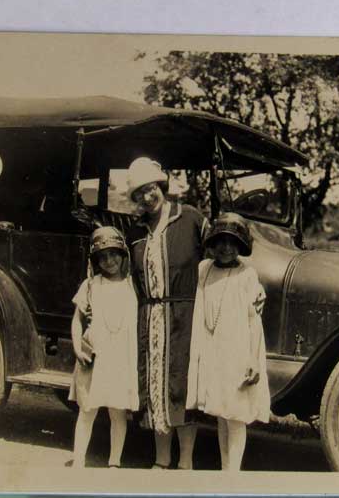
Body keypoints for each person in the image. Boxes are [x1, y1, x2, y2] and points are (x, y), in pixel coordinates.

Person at [125, 157, 209, 470]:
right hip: (150, 316)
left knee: (182, 386)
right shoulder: (137, 231)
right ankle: (162, 459)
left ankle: (185, 461)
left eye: (150, 189)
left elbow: (219, 256)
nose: (147, 197)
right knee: (155, 387)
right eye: (139, 194)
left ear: (161, 185)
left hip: (186, 314)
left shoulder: (190, 218)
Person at [186, 212, 270, 471]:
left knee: (235, 415)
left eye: (233, 243)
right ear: (212, 243)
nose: (226, 248)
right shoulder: (204, 269)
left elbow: (254, 322)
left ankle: (233, 474)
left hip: (237, 350)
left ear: (241, 246)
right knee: (221, 413)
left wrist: (253, 359)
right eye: (221, 241)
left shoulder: (247, 275)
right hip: (212, 349)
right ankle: (226, 469)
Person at [69, 226, 139, 469]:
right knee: (87, 409)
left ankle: (114, 462)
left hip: (120, 357)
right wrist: (77, 348)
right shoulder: (90, 285)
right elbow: (77, 320)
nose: (109, 261)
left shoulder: (132, 286)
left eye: (114, 254)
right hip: (95, 356)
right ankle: (78, 460)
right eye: (103, 257)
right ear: (96, 261)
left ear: (123, 255)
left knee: (117, 411)